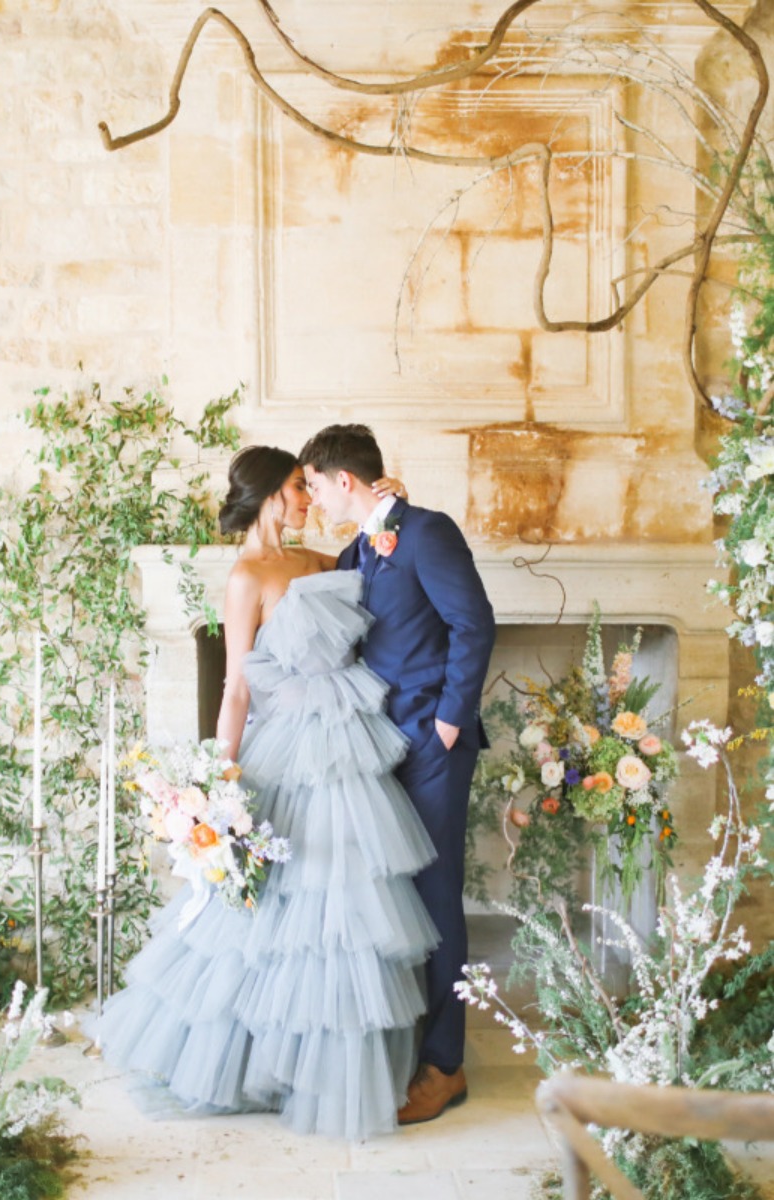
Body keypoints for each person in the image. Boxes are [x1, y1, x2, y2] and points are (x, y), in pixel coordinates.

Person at [93, 445, 438, 1140]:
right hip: (283, 749)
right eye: (295, 487)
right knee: (276, 907)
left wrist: (383, 505)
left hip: (349, 742)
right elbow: (238, 686)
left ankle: (336, 1062)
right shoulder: (247, 576)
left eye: (308, 487)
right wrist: (221, 779)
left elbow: (378, 560)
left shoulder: (321, 560)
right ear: (267, 496)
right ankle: (258, 1060)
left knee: (346, 905)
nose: (306, 497)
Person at [300, 423, 496, 1125]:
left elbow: (474, 623)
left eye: (314, 485)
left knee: (439, 899)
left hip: (432, 744)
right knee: (398, 899)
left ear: (342, 480)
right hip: (381, 746)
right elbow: (333, 586)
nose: (313, 498)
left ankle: (446, 1066)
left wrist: (449, 721)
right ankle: (408, 1045)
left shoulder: (428, 532)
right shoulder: (362, 544)